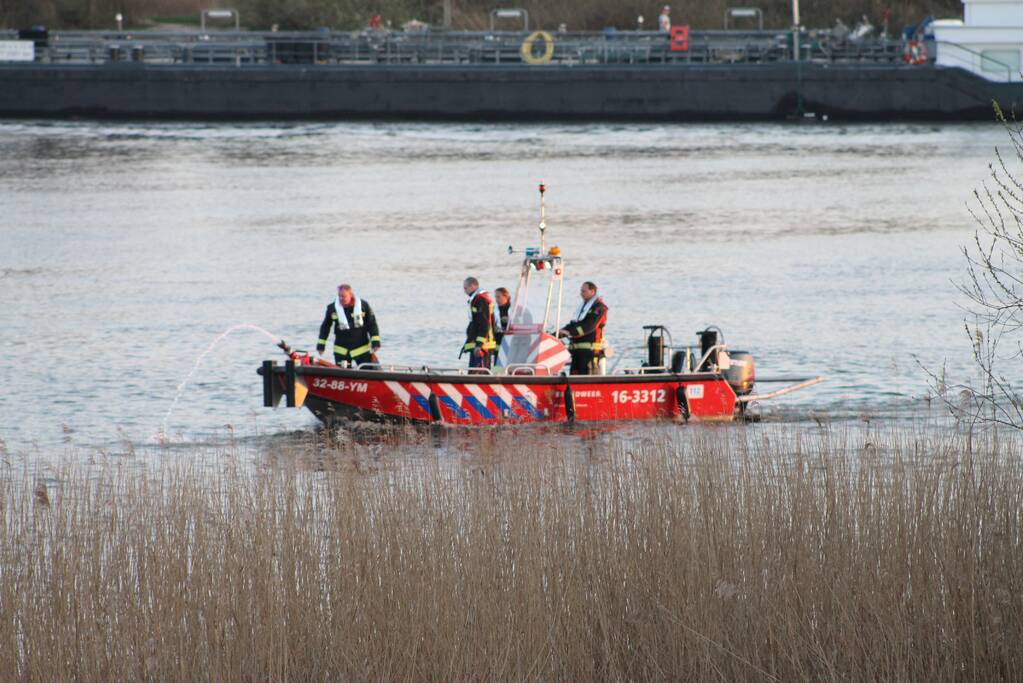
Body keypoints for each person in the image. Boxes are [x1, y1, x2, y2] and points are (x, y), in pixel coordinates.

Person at [317, 284, 381, 367]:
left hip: (361, 349)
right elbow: (325, 327)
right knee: (342, 374)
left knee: (368, 372)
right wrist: (321, 345)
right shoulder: (332, 308)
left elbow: (372, 324)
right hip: (341, 350)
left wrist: (375, 342)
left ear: (350, 295)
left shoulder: (363, 306)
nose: (341, 299)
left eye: (344, 296)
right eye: (339, 296)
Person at [558, 281, 608, 375]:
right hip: (576, 353)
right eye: (581, 291)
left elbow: (589, 326)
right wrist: (556, 334)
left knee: (586, 382)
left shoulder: (599, 308)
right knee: (574, 379)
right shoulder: (583, 308)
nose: (581, 294)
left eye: (584, 291)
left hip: (590, 354)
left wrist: (569, 333)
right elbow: (573, 324)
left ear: (592, 291)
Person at [462, 277, 496, 369]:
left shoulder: (480, 300)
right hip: (478, 343)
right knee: (475, 371)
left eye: (465, 288)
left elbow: (484, 323)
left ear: (472, 286)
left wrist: (479, 345)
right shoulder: (476, 299)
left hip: (483, 346)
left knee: (480, 372)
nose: (464, 291)